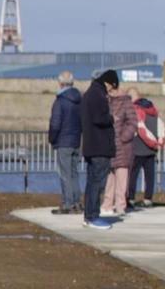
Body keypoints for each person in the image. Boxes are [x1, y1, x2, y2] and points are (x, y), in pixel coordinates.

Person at [81, 71, 118, 229]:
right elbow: (98, 118)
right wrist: (111, 118)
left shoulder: (90, 93)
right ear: (108, 83)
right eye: (112, 88)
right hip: (99, 146)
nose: (111, 92)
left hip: (91, 145)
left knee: (91, 183)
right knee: (97, 183)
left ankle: (89, 215)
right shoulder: (97, 95)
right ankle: (93, 216)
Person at [47, 72, 83, 214]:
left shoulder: (60, 101)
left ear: (61, 83)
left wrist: (52, 138)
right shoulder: (80, 100)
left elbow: (55, 124)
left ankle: (68, 203)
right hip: (76, 140)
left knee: (65, 174)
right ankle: (76, 202)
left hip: (63, 141)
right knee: (74, 173)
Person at [105, 81, 138, 219]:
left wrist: (124, 136)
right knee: (109, 177)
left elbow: (133, 122)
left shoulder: (126, 102)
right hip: (110, 145)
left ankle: (120, 205)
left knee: (122, 177)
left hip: (123, 146)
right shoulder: (107, 102)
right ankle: (107, 204)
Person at [131, 96, 163, 207]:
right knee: (150, 176)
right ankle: (148, 198)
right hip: (151, 151)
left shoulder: (137, 114)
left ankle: (130, 197)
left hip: (137, 150)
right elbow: (161, 131)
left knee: (133, 175)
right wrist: (157, 144)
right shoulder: (155, 115)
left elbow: (139, 131)